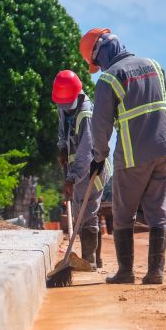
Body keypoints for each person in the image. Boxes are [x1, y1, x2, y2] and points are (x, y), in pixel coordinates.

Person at [80, 28, 166, 284]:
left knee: (124, 214)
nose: (99, 68)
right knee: (158, 211)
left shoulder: (110, 79)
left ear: (100, 53)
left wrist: (98, 158)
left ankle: (125, 272)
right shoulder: (155, 65)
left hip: (134, 155)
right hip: (165, 149)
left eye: (96, 62)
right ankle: (156, 272)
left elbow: (100, 127)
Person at [53, 69, 112, 270]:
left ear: (77, 95)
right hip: (76, 169)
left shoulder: (86, 114)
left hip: (93, 167)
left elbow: (86, 151)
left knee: (87, 213)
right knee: (82, 212)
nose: (65, 109)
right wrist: (62, 147)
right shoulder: (64, 105)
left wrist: (71, 178)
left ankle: (90, 261)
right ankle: (95, 258)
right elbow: (62, 130)